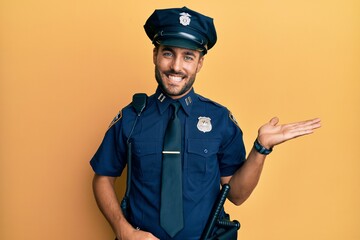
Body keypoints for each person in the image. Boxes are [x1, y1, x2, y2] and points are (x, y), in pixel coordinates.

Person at [90, 6, 321, 240]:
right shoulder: (131, 117)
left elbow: (237, 194)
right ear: (155, 55)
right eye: (168, 53)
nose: (176, 66)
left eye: (188, 56)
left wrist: (261, 148)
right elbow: (103, 178)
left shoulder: (220, 120)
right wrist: (123, 230)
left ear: (199, 63)